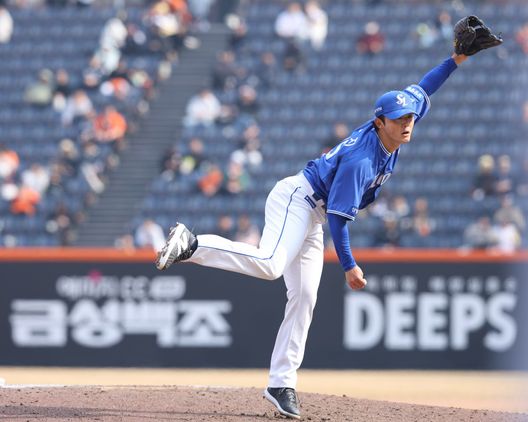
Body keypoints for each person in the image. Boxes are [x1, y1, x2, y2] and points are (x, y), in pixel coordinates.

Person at [155, 18, 499, 418]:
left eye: (409, 118)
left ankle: (281, 383)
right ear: (379, 122)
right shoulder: (361, 161)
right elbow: (338, 220)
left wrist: (456, 58)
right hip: (298, 199)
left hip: (312, 214)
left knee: (304, 297)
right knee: (270, 264)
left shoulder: (396, 126)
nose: (407, 123)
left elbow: (425, 87)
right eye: (399, 119)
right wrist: (349, 265)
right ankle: (192, 243)